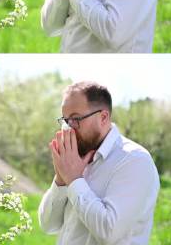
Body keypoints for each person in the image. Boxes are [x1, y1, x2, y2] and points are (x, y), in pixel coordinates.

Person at [38, 81, 160, 244]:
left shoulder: (135, 160)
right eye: (65, 120)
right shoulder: (76, 158)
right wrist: (61, 180)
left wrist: (74, 180)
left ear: (103, 117)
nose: (69, 128)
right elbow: (48, 225)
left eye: (76, 119)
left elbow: (108, 232)